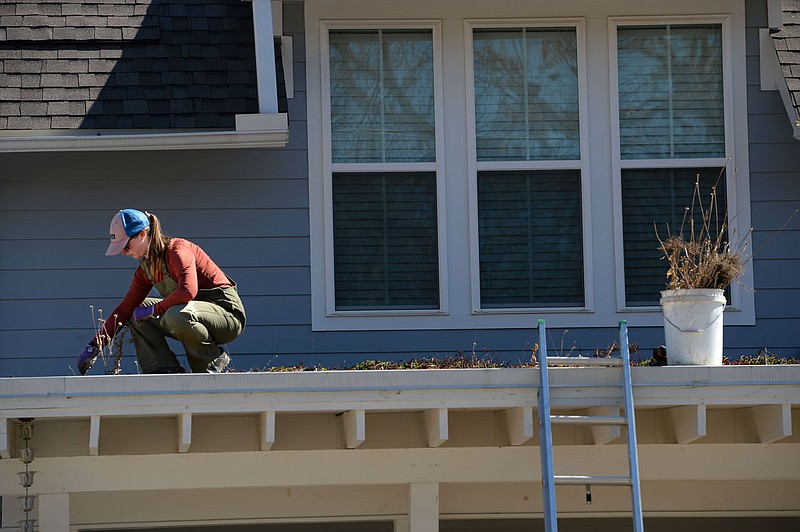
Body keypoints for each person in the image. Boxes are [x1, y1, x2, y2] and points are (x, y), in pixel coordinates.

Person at [76, 209, 246, 375]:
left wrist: (154, 310)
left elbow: (188, 291)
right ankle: (162, 368)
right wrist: (95, 345)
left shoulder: (177, 251)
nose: (124, 251)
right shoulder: (145, 269)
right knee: (136, 311)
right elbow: (124, 310)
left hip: (226, 315)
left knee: (175, 314)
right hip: (191, 313)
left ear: (143, 234)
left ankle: (210, 360)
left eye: (126, 245)